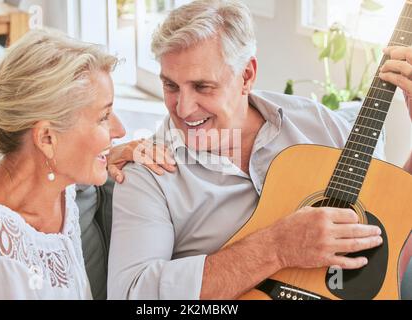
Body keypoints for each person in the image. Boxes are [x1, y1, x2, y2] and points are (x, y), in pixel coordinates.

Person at [108, 0, 412, 300]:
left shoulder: (317, 123)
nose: (183, 108)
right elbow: (133, 296)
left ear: (247, 76)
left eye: (203, 87)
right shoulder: (147, 173)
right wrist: (275, 247)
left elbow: (389, 218)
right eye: (171, 86)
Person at [0, 29, 175, 299]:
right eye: (103, 117)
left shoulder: (60, 189)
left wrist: (106, 155)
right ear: (48, 138)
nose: (120, 130)